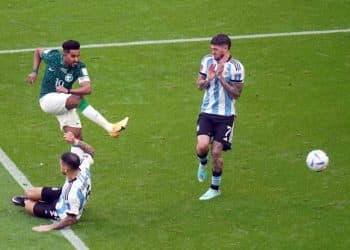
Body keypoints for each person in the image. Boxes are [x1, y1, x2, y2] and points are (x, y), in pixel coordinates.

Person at [27, 40, 128, 157]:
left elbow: (87, 89)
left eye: (78, 56)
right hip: (47, 99)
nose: (76, 59)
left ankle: (77, 169)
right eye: (73, 56)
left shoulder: (80, 67)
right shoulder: (53, 57)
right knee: (77, 99)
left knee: (76, 137)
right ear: (64, 54)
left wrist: (68, 91)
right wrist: (34, 71)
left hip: (63, 100)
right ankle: (109, 127)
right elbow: (38, 51)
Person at [11, 132, 94, 232]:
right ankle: (38, 201)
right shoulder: (83, 167)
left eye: (61, 164)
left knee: (28, 204)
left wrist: (49, 227)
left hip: (61, 210)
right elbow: (90, 151)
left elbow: (71, 219)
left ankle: (28, 202)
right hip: (63, 195)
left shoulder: (72, 193)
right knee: (30, 192)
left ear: (66, 168)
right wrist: (75, 141)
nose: (60, 166)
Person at [196, 34, 245, 200]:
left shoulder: (236, 67)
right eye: (211, 48)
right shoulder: (207, 61)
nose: (212, 52)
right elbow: (199, 85)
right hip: (207, 112)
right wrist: (208, 79)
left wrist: (221, 78)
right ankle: (203, 162)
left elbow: (237, 94)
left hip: (226, 116)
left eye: (215, 49)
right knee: (202, 147)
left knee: (217, 152)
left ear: (225, 48)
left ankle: (215, 188)